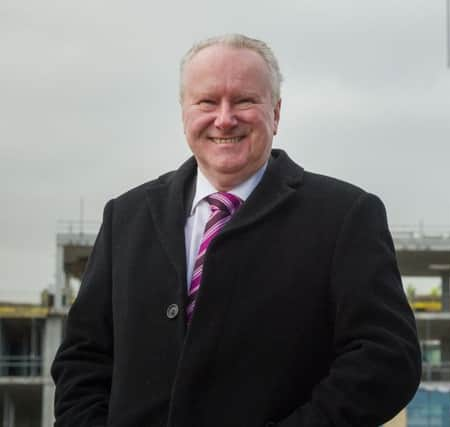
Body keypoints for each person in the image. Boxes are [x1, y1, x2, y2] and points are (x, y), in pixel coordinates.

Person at [51, 34, 421, 427]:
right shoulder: (126, 217)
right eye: (207, 101)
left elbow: (387, 358)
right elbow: (83, 358)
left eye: (244, 100)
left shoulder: (345, 215)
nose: (224, 119)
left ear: (275, 113)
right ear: (184, 112)